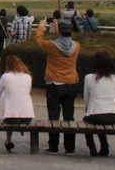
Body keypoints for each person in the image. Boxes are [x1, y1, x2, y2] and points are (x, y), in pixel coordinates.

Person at [34, 18, 80, 155]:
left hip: (54, 83)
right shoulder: (76, 46)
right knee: (69, 116)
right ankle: (70, 147)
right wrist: (59, 31)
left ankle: (53, 146)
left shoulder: (52, 45)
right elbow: (64, 43)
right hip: (70, 82)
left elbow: (39, 40)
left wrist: (42, 26)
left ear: (59, 31)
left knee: (54, 116)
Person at [82, 51, 115, 157]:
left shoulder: (89, 77)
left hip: (96, 114)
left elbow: (86, 97)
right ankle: (105, 147)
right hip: (113, 115)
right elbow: (114, 94)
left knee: (87, 122)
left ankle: (92, 147)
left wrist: (88, 109)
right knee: (100, 123)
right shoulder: (114, 77)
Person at [0, 56, 34, 153]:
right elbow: (27, 91)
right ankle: (20, 128)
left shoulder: (6, 76)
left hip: (10, 117)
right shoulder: (28, 77)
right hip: (27, 116)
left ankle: (8, 140)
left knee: (6, 96)